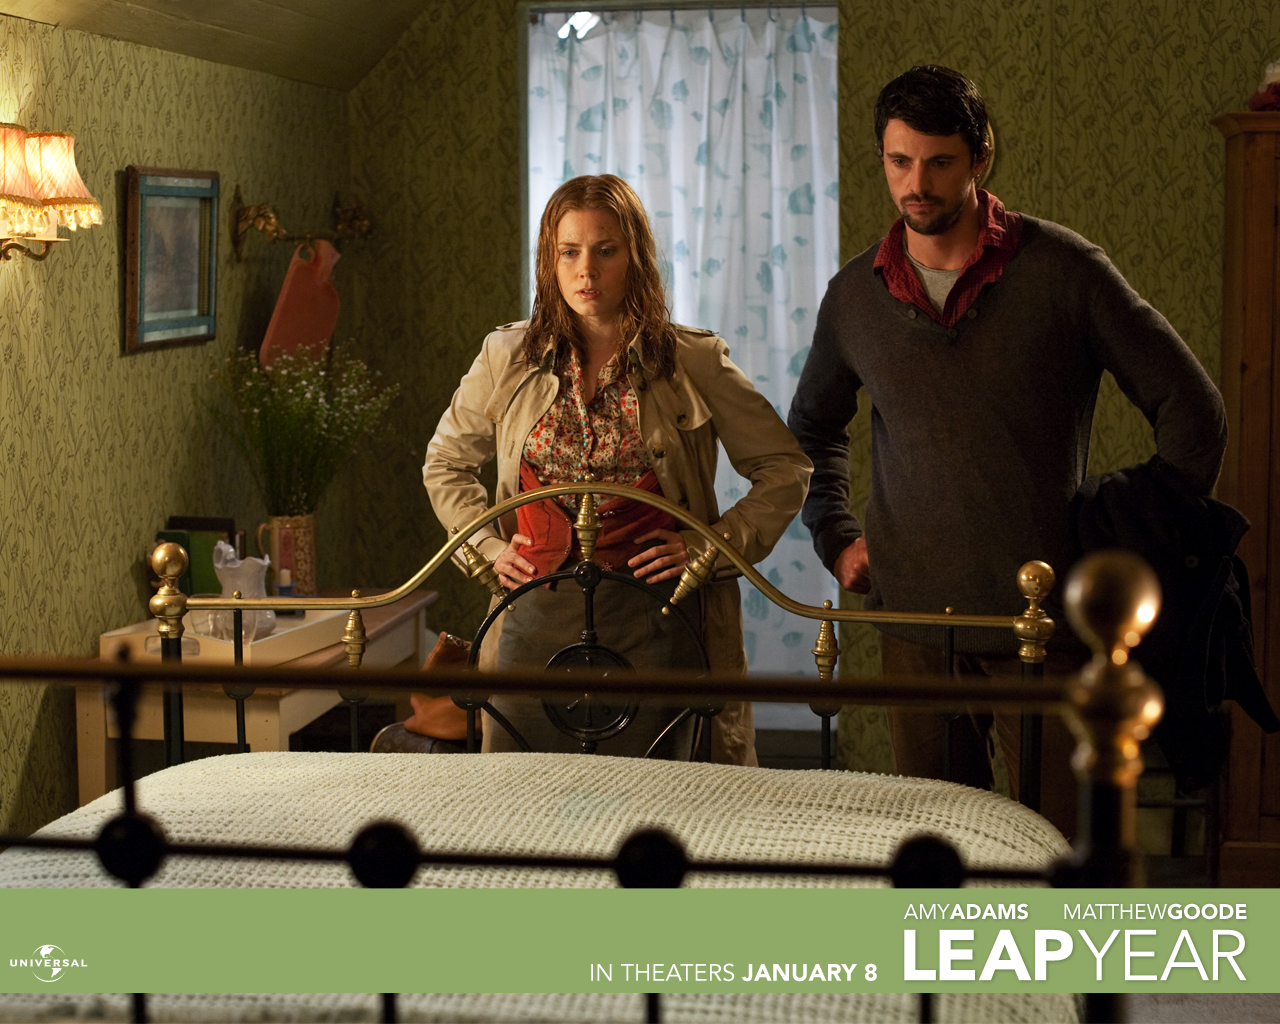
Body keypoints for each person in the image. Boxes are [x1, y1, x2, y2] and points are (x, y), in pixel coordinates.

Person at [787, 66, 1227, 834]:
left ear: (981, 157)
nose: (916, 184)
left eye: (939, 162)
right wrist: (836, 534)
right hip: (915, 627)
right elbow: (813, 429)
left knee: (1058, 846)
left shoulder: (1065, 271)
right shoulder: (855, 295)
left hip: (1042, 626)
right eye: (899, 162)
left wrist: (1116, 530)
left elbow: (1195, 416)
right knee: (936, 853)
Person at [425, 174, 811, 764]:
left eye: (606, 250)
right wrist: (484, 547)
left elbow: (785, 468)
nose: (587, 271)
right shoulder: (507, 357)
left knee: (654, 795)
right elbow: (445, 463)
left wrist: (709, 547)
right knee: (522, 793)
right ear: (549, 261)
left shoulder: (692, 360)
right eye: (569, 252)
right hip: (532, 611)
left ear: (635, 257)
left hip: (657, 617)